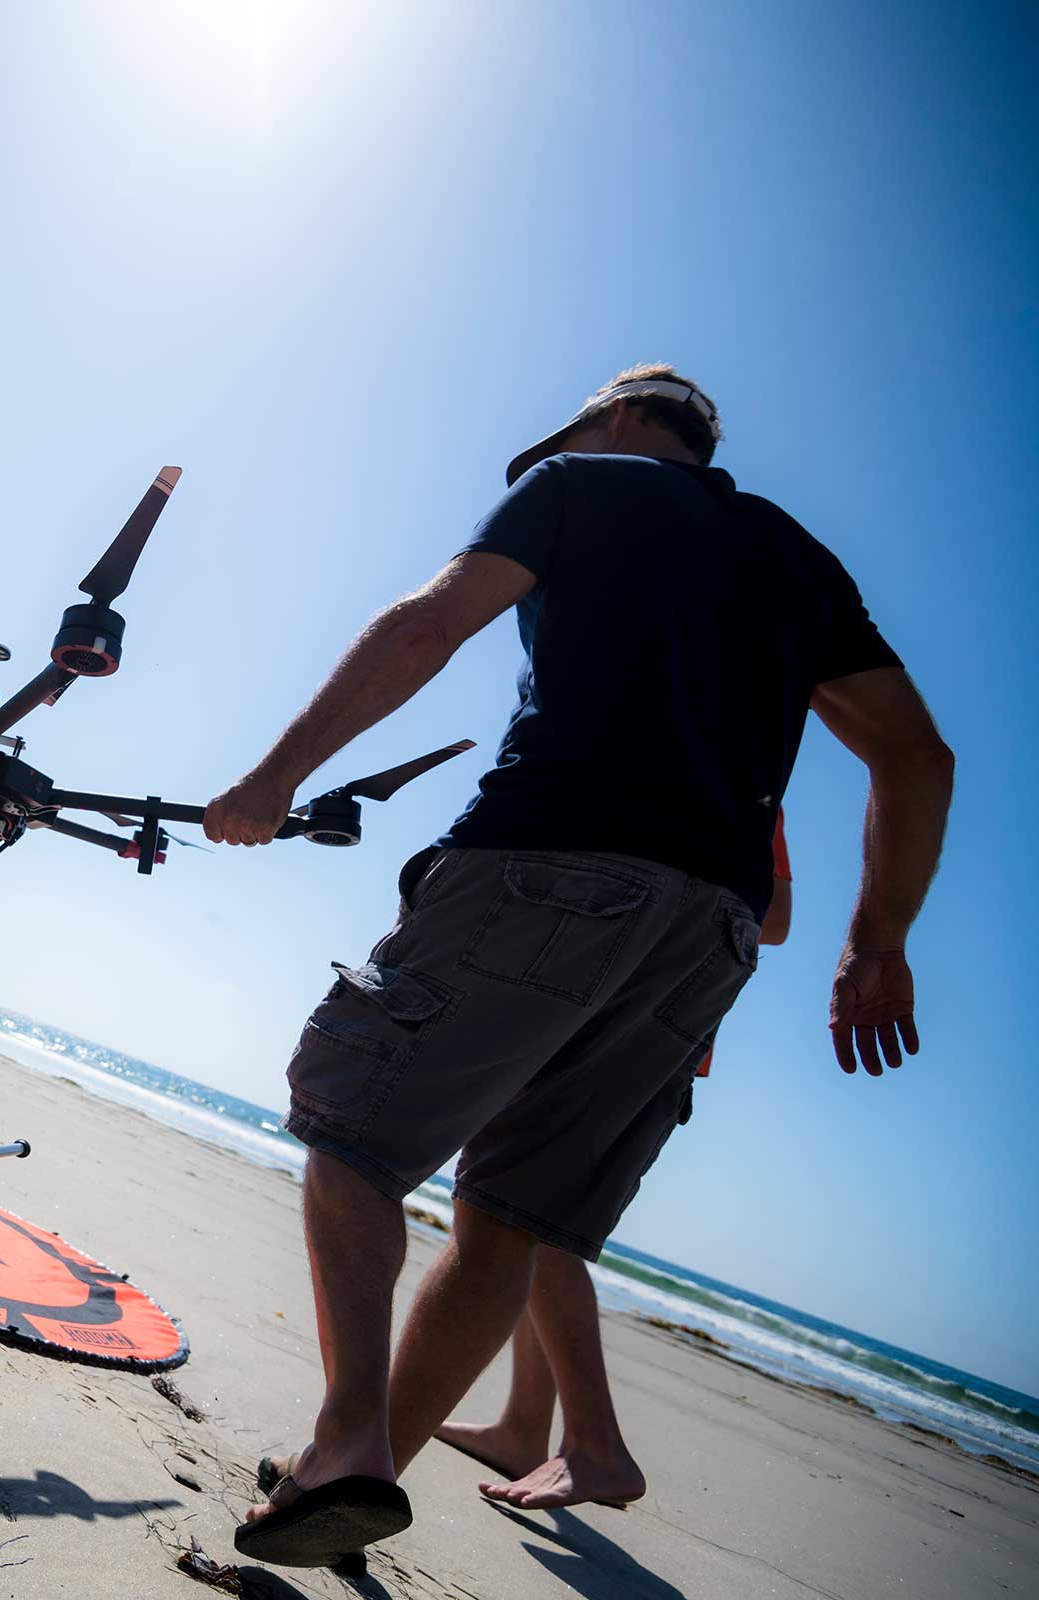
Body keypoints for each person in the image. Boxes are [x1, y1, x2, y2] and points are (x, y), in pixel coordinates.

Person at [202, 364, 953, 1568]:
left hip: (554, 856)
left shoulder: (579, 484)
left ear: (615, 418)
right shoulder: (800, 558)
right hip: (710, 935)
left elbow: (428, 624)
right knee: (508, 1215)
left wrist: (277, 774)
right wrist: (879, 945)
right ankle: (339, 1485)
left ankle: (346, 1437)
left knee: (352, 1130)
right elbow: (917, 757)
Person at [432, 814, 790, 1513]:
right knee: (529, 1219)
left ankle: (597, 1446)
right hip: (605, 1014)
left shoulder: (736, 777)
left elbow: (770, 918)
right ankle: (522, 1428)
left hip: (634, 1024)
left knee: (524, 1217)